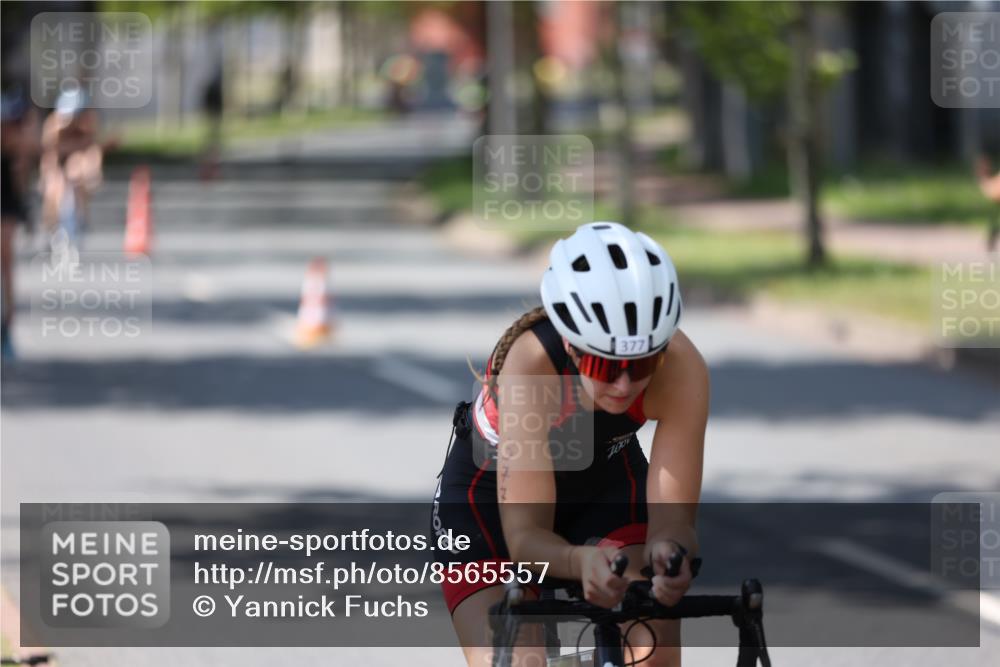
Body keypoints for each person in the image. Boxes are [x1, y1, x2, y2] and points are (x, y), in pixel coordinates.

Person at [431, 222, 709, 667]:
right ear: (571, 345)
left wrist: (670, 553)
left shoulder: (681, 367)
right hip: (490, 503)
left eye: (641, 365)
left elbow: (674, 523)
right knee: (519, 659)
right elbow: (526, 539)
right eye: (604, 365)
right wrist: (580, 563)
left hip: (604, 486)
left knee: (652, 649)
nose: (624, 385)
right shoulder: (531, 364)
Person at [39, 85, 104, 252]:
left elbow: (93, 149)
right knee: (54, 187)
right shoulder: (54, 125)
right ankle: (51, 225)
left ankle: (81, 217)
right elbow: (50, 154)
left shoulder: (88, 122)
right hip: (57, 161)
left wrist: (93, 172)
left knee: (79, 175)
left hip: (75, 159)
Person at [1, 86, 39, 359]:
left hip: (7, 203)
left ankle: (8, 326)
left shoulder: (18, 145)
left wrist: (25, 211)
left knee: (6, 262)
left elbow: (21, 176)